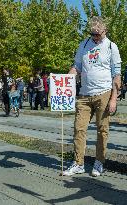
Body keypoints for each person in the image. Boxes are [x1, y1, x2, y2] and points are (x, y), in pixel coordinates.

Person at [63, 16, 121, 177]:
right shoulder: (84, 45)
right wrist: (65, 80)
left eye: (97, 34)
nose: (94, 37)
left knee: (102, 130)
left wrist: (114, 99)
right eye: (92, 34)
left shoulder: (111, 46)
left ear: (105, 31)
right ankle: (78, 163)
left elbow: (117, 75)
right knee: (78, 128)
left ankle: (99, 162)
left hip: (104, 93)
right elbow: (77, 67)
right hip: (84, 94)